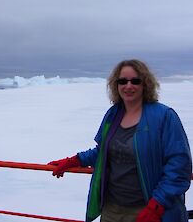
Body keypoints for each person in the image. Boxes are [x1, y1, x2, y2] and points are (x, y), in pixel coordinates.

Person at [48, 59, 192, 222]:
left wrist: (156, 206)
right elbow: (103, 151)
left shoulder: (164, 116)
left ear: (145, 84)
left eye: (135, 81)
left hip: (147, 210)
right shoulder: (113, 114)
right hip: (112, 210)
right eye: (122, 81)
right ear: (116, 85)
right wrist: (74, 160)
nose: (128, 86)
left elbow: (180, 166)